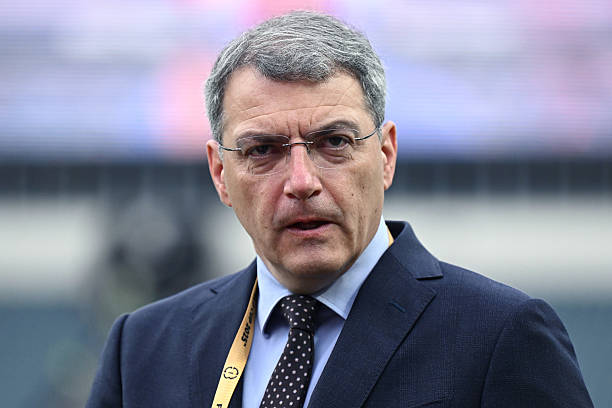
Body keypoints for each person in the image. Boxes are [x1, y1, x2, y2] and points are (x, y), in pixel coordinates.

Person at [87, 10, 593, 408]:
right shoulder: (144, 348)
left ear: (385, 156)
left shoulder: (500, 336)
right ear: (221, 173)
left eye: (333, 142)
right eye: (263, 150)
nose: (301, 182)